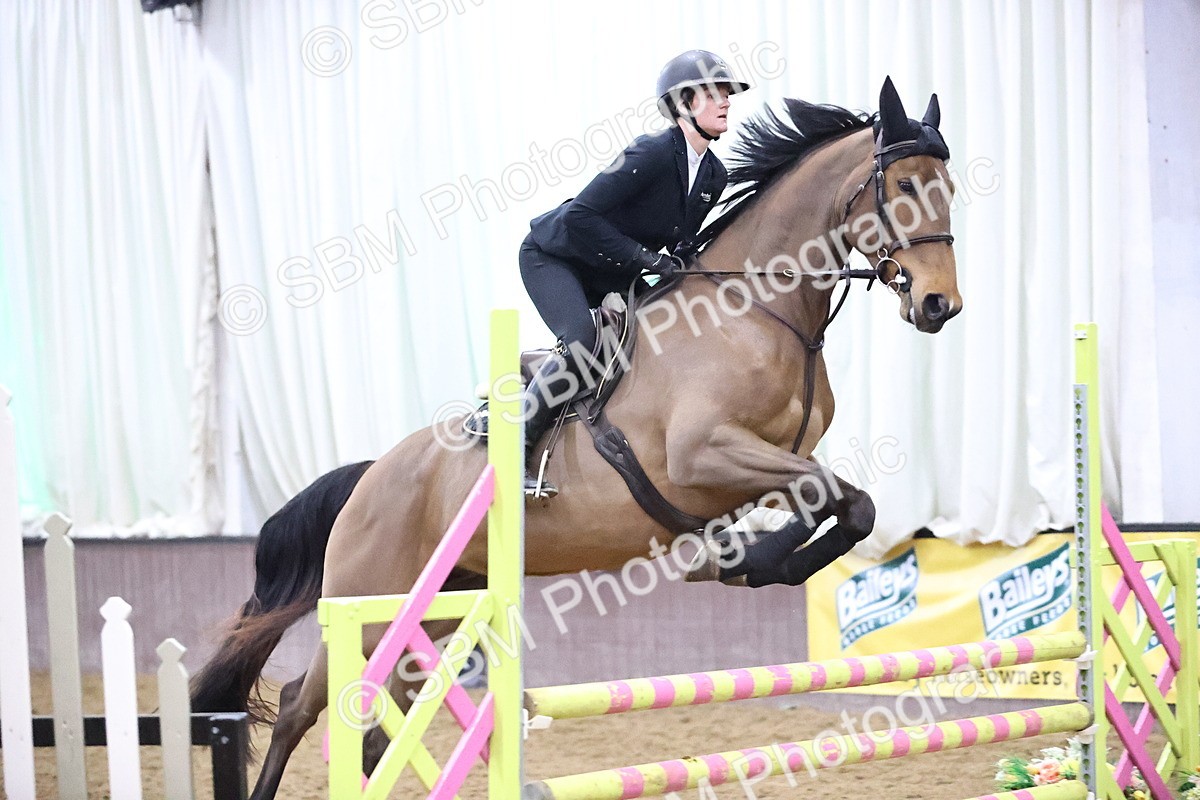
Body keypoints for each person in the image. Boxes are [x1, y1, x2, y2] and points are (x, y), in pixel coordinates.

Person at [517, 49, 751, 498]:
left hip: (611, 268)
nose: (726, 100)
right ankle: (518, 446)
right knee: (582, 339)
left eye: (727, 93)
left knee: (662, 330)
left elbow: (679, 243)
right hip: (555, 256)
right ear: (684, 105)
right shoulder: (652, 152)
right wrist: (648, 259)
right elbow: (581, 216)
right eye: (714, 92)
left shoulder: (714, 175)